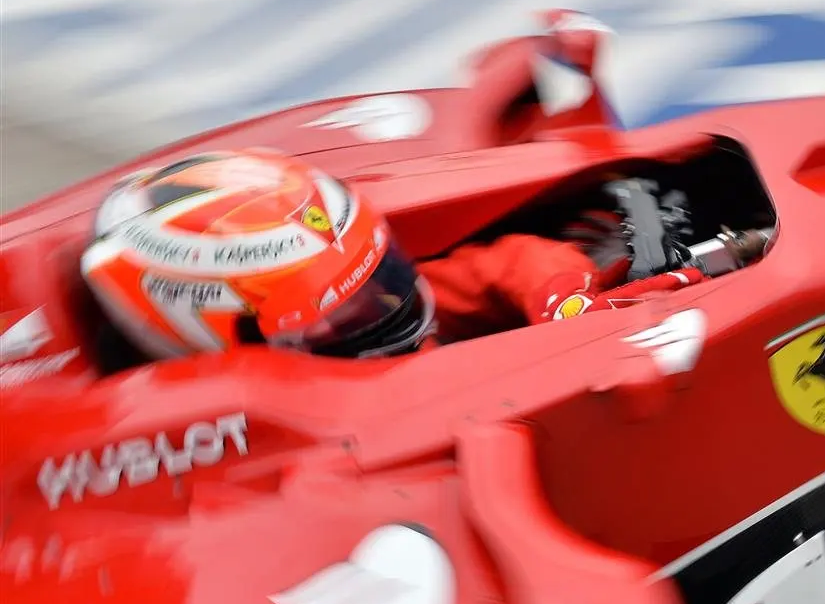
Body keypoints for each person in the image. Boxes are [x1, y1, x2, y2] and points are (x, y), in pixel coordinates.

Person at [79, 149, 706, 362]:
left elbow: (495, 267)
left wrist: (567, 300)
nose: (384, 306)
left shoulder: (359, 295)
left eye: (381, 271)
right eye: (337, 318)